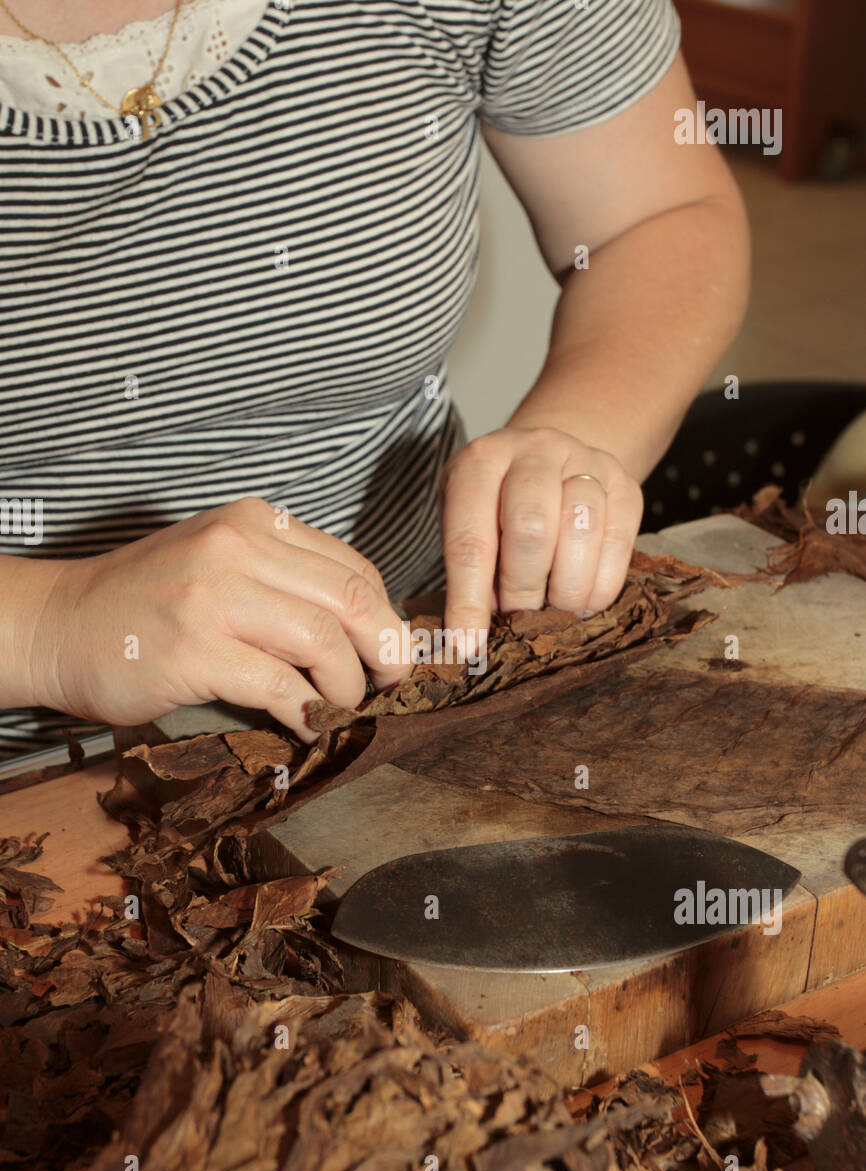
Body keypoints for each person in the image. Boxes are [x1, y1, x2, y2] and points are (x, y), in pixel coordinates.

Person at [0, 0, 749, 755]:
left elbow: (655, 217)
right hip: (29, 759)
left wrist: (575, 437)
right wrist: (45, 627)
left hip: (416, 663)